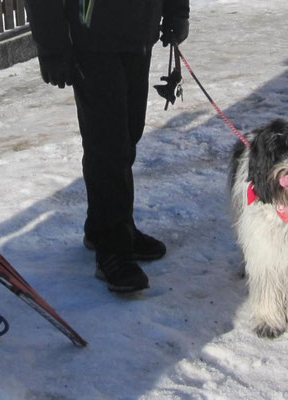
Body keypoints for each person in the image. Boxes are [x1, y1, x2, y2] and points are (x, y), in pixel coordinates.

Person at [24, 0, 190, 293]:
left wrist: (176, 11)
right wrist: (51, 47)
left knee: (127, 136)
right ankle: (112, 247)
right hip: (92, 40)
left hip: (138, 32)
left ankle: (107, 226)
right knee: (108, 144)